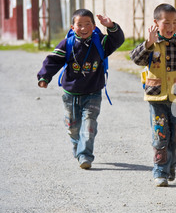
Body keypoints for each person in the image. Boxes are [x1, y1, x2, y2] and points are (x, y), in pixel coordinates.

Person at [37, 9, 125, 170]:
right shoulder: (68, 44)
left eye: (87, 24)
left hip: (93, 93)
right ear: (72, 27)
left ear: (93, 26)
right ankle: (78, 147)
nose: (84, 28)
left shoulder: (101, 43)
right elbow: (53, 60)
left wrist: (111, 26)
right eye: (79, 25)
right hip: (70, 94)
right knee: (72, 127)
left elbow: (118, 40)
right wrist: (44, 76)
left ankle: (85, 155)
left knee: (89, 124)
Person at [130, 3, 176, 187]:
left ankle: (171, 164)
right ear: (156, 23)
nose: (171, 27)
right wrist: (148, 42)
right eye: (166, 23)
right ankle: (160, 172)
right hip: (156, 99)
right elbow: (135, 59)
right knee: (160, 136)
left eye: (175, 22)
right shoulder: (151, 46)